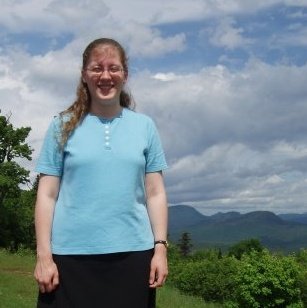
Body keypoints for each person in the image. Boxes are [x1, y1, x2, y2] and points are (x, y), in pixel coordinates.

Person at [34, 38, 168, 308]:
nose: (105, 75)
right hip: (69, 259)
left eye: (113, 68)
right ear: (85, 75)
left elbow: (155, 193)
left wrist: (160, 249)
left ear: (124, 74)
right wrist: (43, 256)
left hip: (133, 258)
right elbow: (47, 195)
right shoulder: (61, 126)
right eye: (97, 68)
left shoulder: (145, 126)